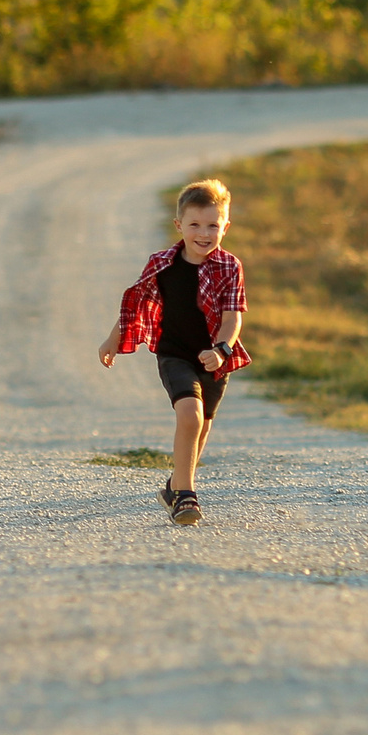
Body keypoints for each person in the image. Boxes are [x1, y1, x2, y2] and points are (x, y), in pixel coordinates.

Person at [97, 178, 251, 526]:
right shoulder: (162, 264)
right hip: (174, 354)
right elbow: (138, 306)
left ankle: (173, 486)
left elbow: (232, 318)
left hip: (214, 360)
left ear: (225, 226)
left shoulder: (230, 267)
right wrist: (112, 340)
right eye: (195, 224)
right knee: (190, 416)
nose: (204, 233)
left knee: (202, 425)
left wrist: (223, 350)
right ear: (179, 225)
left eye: (213, 225)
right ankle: (186, 496)